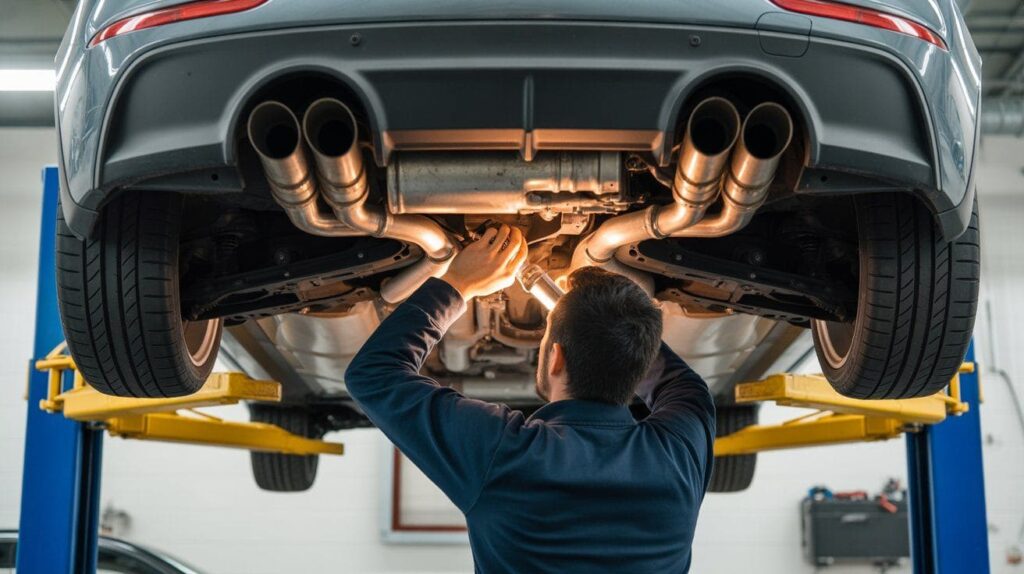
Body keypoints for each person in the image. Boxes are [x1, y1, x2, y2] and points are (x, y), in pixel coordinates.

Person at [345, 224, 716, 573]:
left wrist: (460, 282)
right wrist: (606, 322)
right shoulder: (678, 455)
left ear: (555, 358)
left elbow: (373, 375)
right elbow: (684, 385)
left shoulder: (505, 454)